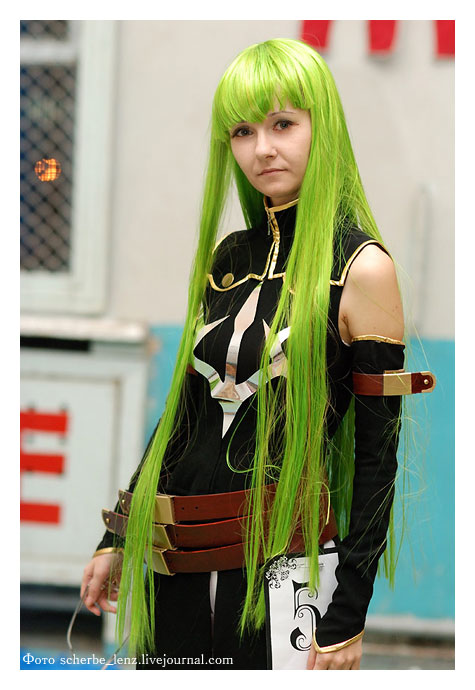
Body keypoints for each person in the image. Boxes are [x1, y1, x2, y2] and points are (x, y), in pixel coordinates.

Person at [80, 38, 435, 671]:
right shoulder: (229, 259)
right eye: (243, 131)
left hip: (281, 575)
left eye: (282, 124)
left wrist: (349, 612)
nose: (262, 149)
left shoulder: (362, 268)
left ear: (322, 128)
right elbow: (182, 419)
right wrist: (119, 533)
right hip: (175, 567)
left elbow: (378, 458)